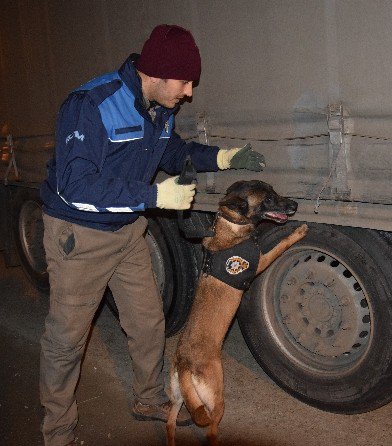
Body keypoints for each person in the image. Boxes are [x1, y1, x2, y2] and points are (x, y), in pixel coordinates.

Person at [38, 24, 265, 446]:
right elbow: (76, 185)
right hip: (80, 237)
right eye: (185, 82)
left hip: (127, 233)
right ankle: (58, 433)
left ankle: (147, 398)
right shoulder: (91, 104)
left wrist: (224, 156)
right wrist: (154, 194)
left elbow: (174, 151)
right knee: (66, 340)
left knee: (147, 320)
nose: (190, 93)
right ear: (157, 74)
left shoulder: (159, 107)